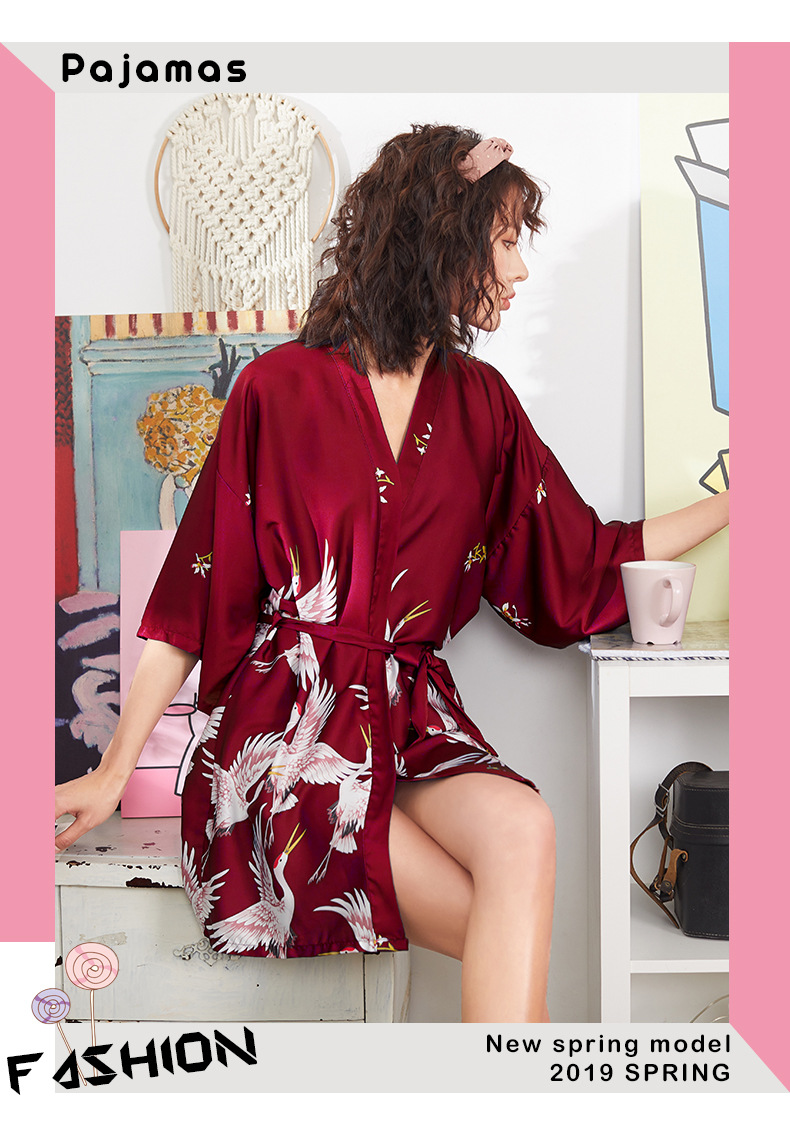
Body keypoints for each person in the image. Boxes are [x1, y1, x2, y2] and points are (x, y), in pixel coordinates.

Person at [55, 124, 729, 1023]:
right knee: (506, 931)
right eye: (504, 240)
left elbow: (585, 559)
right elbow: (192, 597)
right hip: (289, 731)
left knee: (523, 827)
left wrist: (744, 500)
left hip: (412, 716)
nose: (520, 270)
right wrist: (113, 771)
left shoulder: (482, 405)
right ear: (441, 237)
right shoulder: (277, 389)